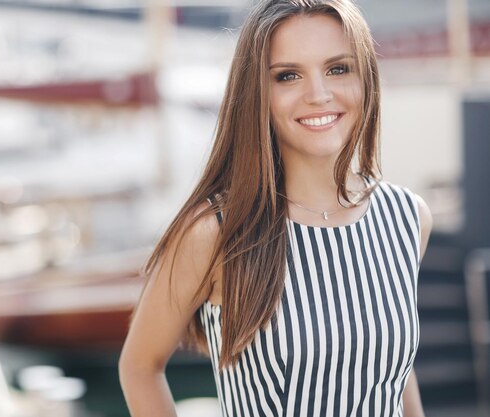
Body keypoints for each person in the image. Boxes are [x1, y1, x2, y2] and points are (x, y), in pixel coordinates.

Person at [119, 0, 432, 416]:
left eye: (338, 68)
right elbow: (139, 367)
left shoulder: (406, 217)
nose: (319, 94)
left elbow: (393, 371)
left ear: (366, 78)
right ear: (257, 95)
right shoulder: (216, 231)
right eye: (288, 76)